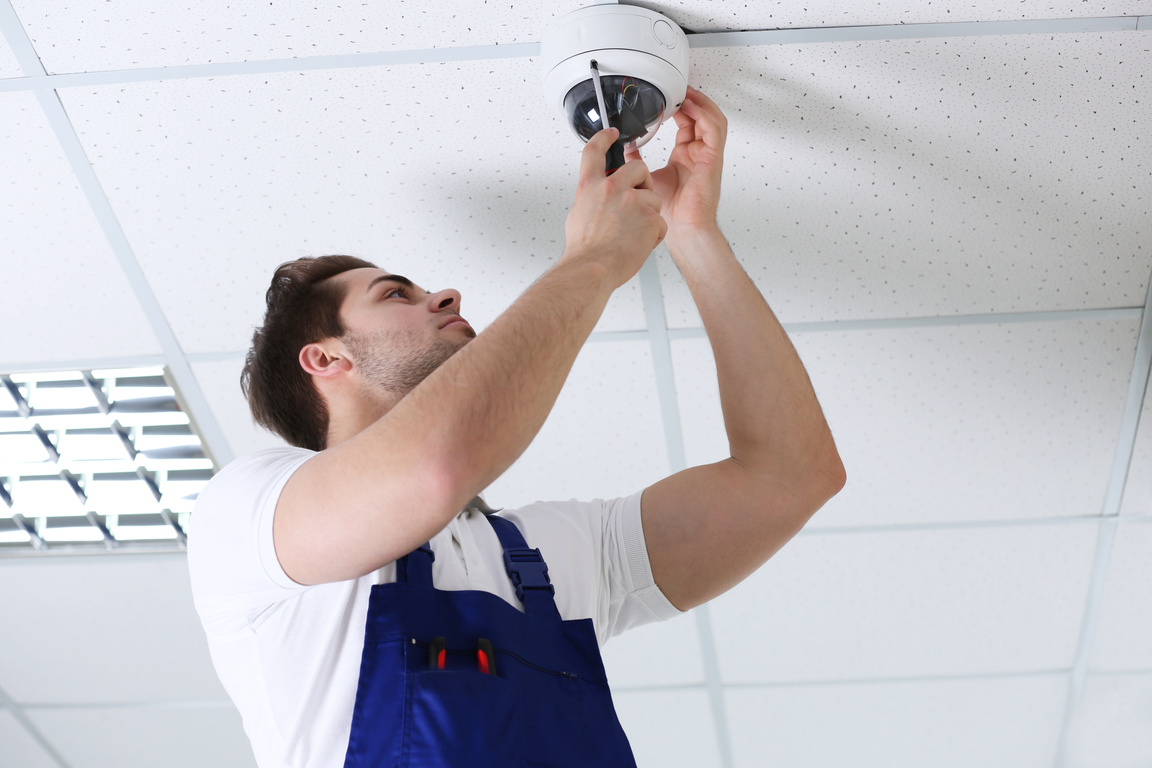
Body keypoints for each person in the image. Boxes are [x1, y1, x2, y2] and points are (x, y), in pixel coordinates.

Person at [188, 87, 845, 768]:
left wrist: (692, 233)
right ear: (325, 359)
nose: (444, 295)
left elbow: (791, 477)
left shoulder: (541, 557)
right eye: (394, 294)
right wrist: (592, 260)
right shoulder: (247, 516)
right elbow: (432, 470)